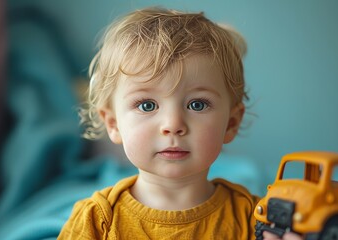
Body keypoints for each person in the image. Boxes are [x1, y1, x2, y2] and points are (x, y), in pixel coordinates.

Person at [58, 7, 302, 240]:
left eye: (197, 105)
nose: (173, 125)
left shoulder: (254, 218)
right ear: (113, 124)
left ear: (231, 123)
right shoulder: (96, 220)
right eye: (147, 105)